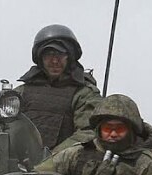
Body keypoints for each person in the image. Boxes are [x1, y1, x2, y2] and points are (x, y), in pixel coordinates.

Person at [16, 25, 101, 155]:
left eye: (60, 55)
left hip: (65, 164)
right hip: (19, 162)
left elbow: (88, 133)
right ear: (40, 57)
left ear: (69, 57)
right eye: (49, 55)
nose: (55, 61)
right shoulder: (21, 93)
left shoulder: (83, 94)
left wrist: (52, 158)